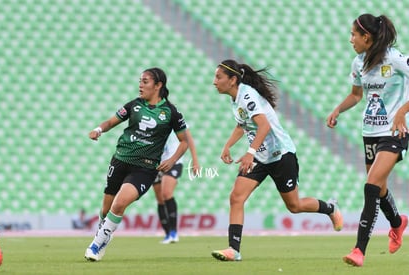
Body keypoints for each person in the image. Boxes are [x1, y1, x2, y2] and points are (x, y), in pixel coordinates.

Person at [211, 59, 343, 262]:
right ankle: (234, 250)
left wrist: (250, 152)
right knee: (236, 197)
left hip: (281, 154)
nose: (214, 81)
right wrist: (228, 145)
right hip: (260, 157)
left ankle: (330, 208)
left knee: (294, 206)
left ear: (232, 80)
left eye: (218, 77)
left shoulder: (247, 95)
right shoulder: (235, 99)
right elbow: (242, 125)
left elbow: (264, 127)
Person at [326, 14, 409, 267]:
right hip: (370, 132)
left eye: (354, 35)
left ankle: (359, 250)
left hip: (395, 131)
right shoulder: (358, 62)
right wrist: (338, 109)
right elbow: (356, 94)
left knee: (371, 185)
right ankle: (397, 222)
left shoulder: (395, 58)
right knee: (379, 188)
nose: (351, 39)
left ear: (367, 37)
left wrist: (402, 112)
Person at [84, 67, 188, 261]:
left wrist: (171, 160)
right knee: (106, 210)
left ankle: (96, 245)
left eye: (145, 81)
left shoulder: (171, 112)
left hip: (145, 168)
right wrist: (98, 130)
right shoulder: (134, 105)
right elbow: (111, 121)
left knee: (120, 202)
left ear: (158, 85)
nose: (140, 85)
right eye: (140, 81)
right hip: (120, 159)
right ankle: (103, 233)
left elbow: (184, 142)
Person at [153, 130, 200, 244]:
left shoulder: (176, 118)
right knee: (160, 199)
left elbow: (189, 140)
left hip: (174, 161)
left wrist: (195, 160)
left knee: (166, 193)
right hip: (156, 163)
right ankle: (168, 234)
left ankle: (174, 233)